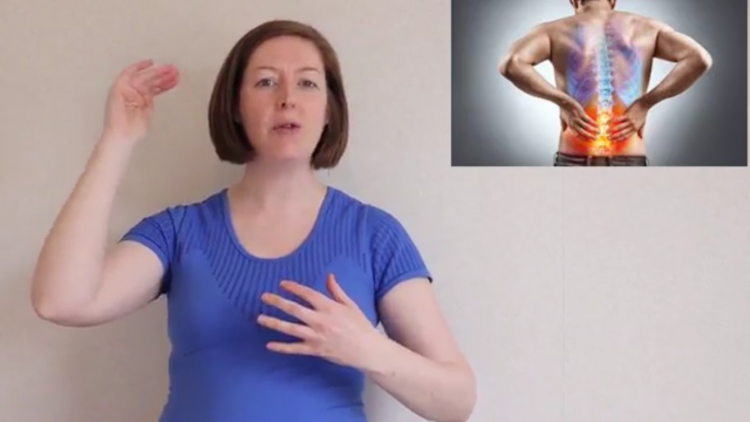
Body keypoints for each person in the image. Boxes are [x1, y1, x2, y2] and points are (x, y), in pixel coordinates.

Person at [30, 19, 476, 422]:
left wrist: (368, 349)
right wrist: (117, 139)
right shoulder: (179, 232)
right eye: (266, 82)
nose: (287, 99)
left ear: (329, 110)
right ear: (236, 107)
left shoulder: (374, 234)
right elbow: (60, 301)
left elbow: (457, 402)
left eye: (307, 83)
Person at [498, 0, 713, 166]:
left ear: (573, 0)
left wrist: (564, 102)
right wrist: (645, 104)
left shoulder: (553, 31)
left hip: (574, 162)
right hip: (630, 161)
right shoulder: (648, 28)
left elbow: (511, 63)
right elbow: (699, 58)